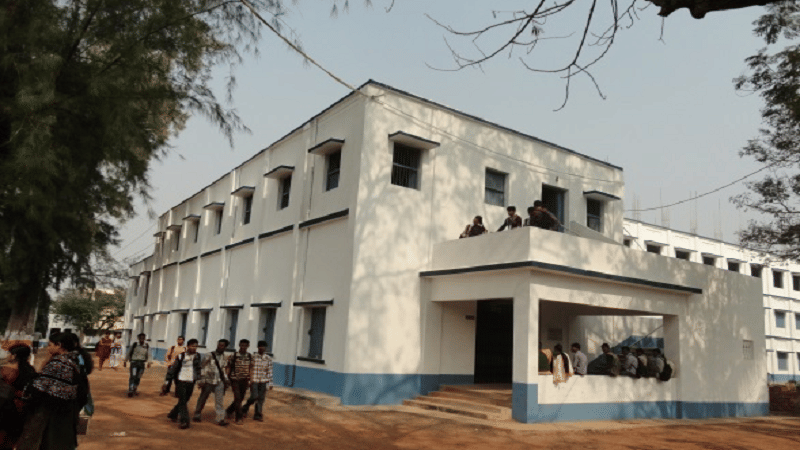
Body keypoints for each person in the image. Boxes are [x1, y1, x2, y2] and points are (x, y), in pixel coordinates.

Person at [15, 332, 92, 450]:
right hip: (66, 411)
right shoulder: (74, 360)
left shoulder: (59, 363)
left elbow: (40, 389)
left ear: (59, 345)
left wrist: (25, 394)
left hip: (52, 412)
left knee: (41, 441)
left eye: (50, 345)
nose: (48, 348)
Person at [0, 344, 37, 449]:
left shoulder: (6, 370)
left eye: (9, 353)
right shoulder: (30, 370)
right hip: (21, 411)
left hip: (4, 410)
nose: (7, 355)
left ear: (14, 355)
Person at [163, 339, 201, 429]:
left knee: (185, 400)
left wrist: (200, 379)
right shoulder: (181, 356)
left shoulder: (197, 356)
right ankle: (184, 421)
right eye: (192, 346)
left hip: (191, 381)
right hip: (181, 381)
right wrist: (167, 381)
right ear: (188, 346)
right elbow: (173, 369)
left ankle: (173, 414)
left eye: (196, 346)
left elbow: (198, 368)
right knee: (183, 401)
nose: (194, 348)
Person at [193, 339, 230, 426]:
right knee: (203, 398)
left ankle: (220, 419)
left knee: (219, 401)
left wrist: (226, 379)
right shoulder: (209, 355)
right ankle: (197, 414)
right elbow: (202, 366)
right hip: (208, 381)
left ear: (225, 347)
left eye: (222, 345)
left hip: (219, 381)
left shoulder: (225, 357)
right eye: (218, 345)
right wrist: (202, 379)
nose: (219, 347)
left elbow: (224, 369)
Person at [242, 341, 273, 422]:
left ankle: (258, 414)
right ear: (258, 347)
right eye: (260, 347)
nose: (262, 348)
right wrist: (249, 379)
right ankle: (245, 408)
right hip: (254, 380)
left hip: (263, 380)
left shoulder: (268, 358)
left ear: (265, 348)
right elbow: (249, 368)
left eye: (263, 347)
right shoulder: (253, 357)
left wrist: (270, 383)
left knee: (261, 398)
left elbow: (269, 371)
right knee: (254, 396)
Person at [225, 339, 253, 425]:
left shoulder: (249, 356)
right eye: (242, 345)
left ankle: (229, 410)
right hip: (235, 379)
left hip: (244, 380)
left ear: (248, 346)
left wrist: (251, 379)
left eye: (245, 345)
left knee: (240, 398)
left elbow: (251, 368)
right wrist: (227, 378)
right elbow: (228, 367)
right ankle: (239, 417)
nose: (243, 347)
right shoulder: (234, 355)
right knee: (237, 397)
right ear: (239, 345)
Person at [123, 333, 152, 397]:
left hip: (141, 364)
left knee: (138, 377)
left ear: (144, 338)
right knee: (133, 376)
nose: (142, 339)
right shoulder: (134, 345)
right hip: (134, 363)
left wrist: (149, 362)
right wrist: (125, 361)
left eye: (143, 338)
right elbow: (128, 353)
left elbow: (149, 354)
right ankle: (130, 389)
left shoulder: (146, 346)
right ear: (138, 338)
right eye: (140, 338)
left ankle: (135, 388)